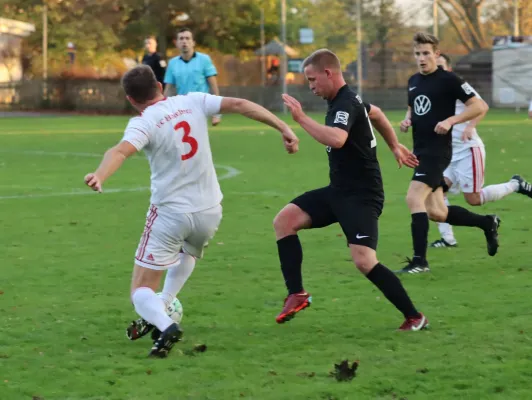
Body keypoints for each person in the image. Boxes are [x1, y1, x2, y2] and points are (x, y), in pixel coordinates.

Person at [84, 65, 299, 358]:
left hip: (171, 213)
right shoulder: (192, 101)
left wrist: (100, 175)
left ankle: (164, 323)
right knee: (188, 252)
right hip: (210, 210)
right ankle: (166, 302)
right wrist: (284, 128)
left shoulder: (143, 122)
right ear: (160, 85)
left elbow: (119, 151)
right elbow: (240, 104)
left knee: (140, 290)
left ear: (131, 99)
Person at [274, 48, 428, 331]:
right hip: (339, 191)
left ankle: (414, 316)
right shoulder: (347, 100)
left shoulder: (345, 103)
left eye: (312, 80)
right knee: (284, 221)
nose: (310, 87)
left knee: (364, 261)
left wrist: (301, 119)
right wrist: (394, 145)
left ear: (328, 73)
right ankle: (296, 293)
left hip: (362, 196)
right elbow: (378, 114)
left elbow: (337, 138)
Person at [397, 32, 499, 275]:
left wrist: (452, 120)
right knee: (437, 212)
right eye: (417, 54)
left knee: (413, 198)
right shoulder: (413, 80)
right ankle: (487, 223)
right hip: (421, 151)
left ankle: (420, 261)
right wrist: (407, 120)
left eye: (426, 53)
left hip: (438, 152)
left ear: (436, 54)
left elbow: (480, 106)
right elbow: (414, 107)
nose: (421, 58)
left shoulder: (449, 79)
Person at [430, 53, 532, 248]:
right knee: (434, 191)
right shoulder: (431, 88)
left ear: (449, 69)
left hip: (468, 149)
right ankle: (447, 239)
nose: (439, 71)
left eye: (442, 67)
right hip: (448, 153)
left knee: (473, 200)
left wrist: (470, 127)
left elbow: (482, 106)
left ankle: (515, 185)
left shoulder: (457, 85)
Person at [164, 28, 222, 126]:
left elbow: (213, 86)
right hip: (181, 108)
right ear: (177, 43)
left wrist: (216, 112)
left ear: (193, 42)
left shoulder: (204, 59)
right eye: (181, 38)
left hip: (200, 106)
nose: (184, 41)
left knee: (196, 137)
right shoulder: (172, 63)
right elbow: (169, 89)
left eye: (187, 38)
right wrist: (163, 109)